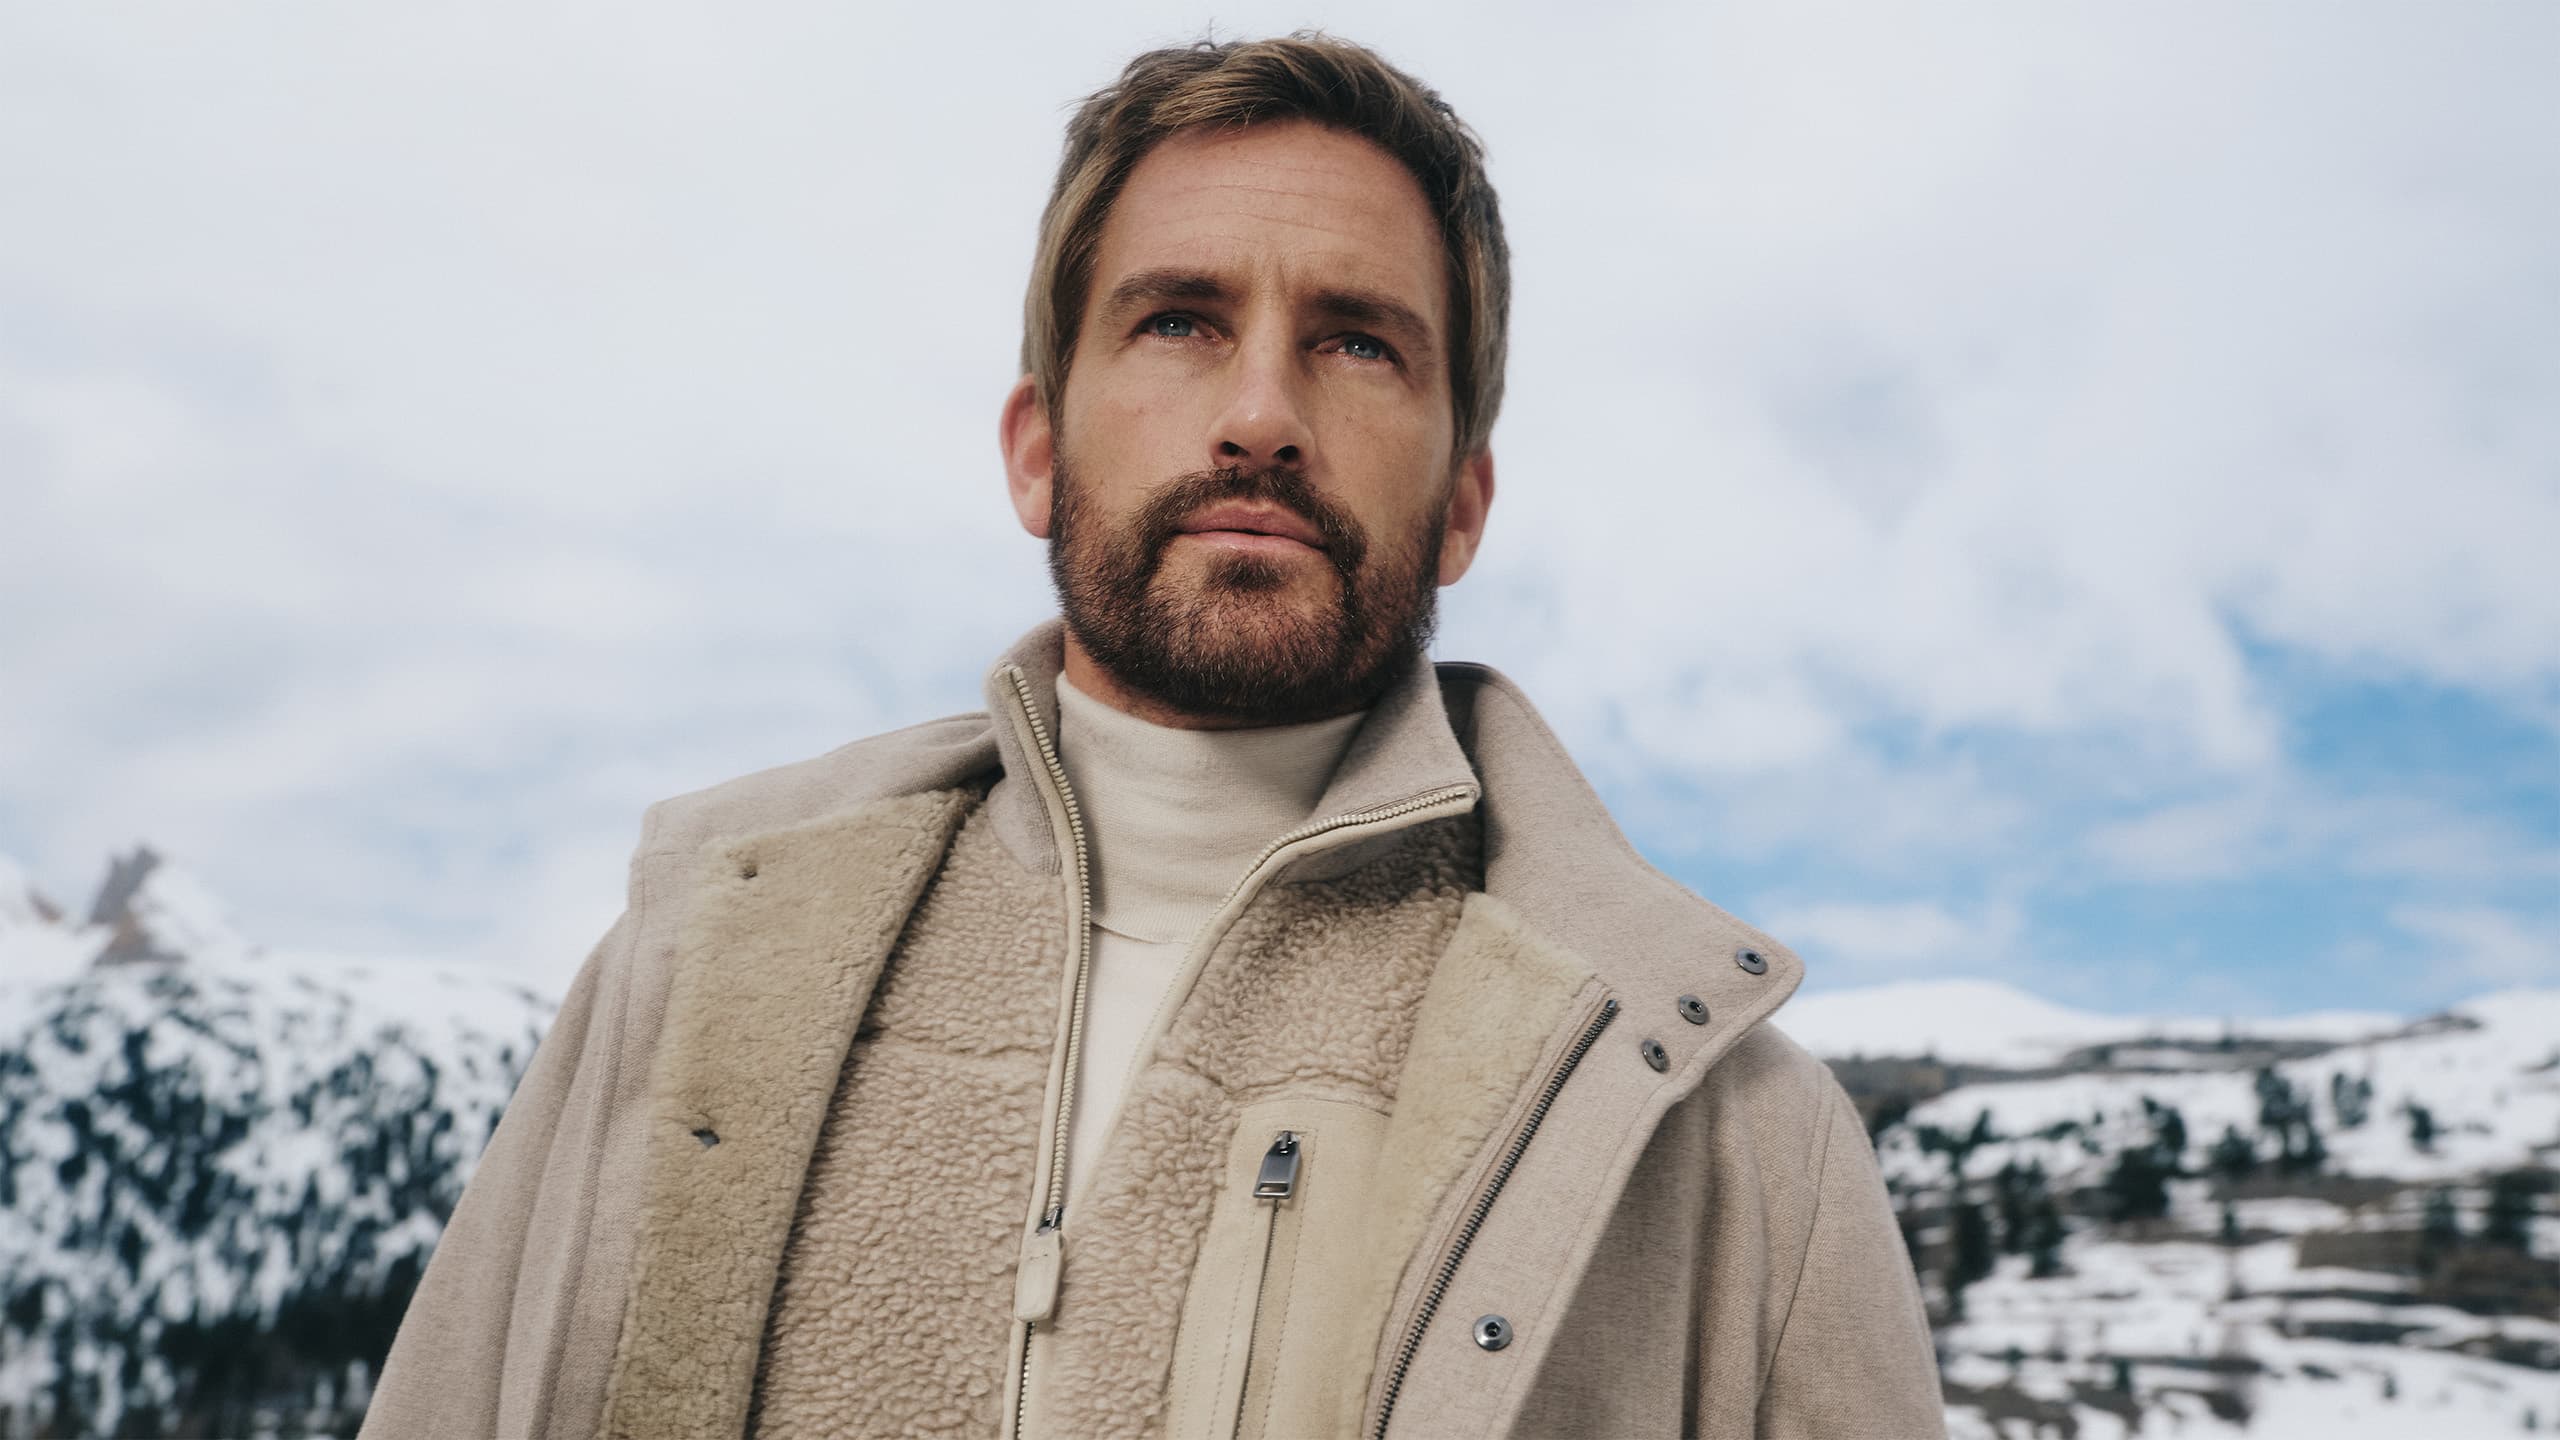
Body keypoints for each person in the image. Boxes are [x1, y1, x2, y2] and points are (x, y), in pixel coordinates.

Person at [364, 32, 1945, 1440]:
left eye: (1358, 340)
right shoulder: (693, 965)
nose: (1261, 409)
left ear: (1462, 501)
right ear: (1039, 455)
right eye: (1180, 321)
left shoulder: (1728, 1141)